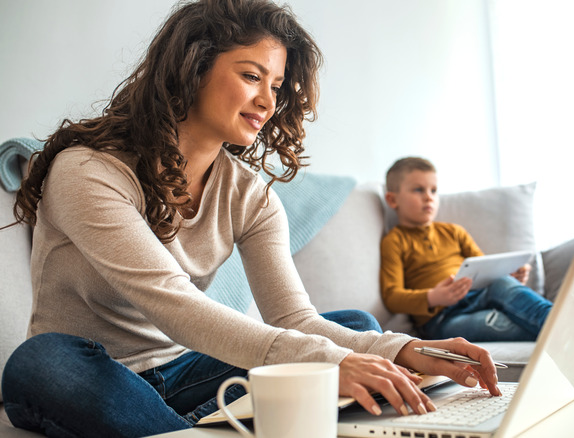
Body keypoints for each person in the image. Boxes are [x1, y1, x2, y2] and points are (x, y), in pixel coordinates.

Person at [0, 2, 502, 437]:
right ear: (192, 68)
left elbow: (295, 320)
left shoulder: (250, 195)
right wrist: (329, 363)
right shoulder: (88, 171)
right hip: (88, 370)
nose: (268, 100)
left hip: (181, 371)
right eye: (250, 75)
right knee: (44, 363)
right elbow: (174, 305)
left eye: (277, 85)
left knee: (352, 326)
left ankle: (196, 423)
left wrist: (406, 348)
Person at [380, 157, 574, 341]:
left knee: (502, 283)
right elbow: (391, 296)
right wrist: (433, 298)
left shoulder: (453, 231)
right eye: (418, 190)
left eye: (434, 190)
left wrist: (508, 276)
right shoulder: (395, 241)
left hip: (479, 296)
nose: (429, 197)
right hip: (441, 321)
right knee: (503, 323)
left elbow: (484, 269)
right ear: (392, 199)